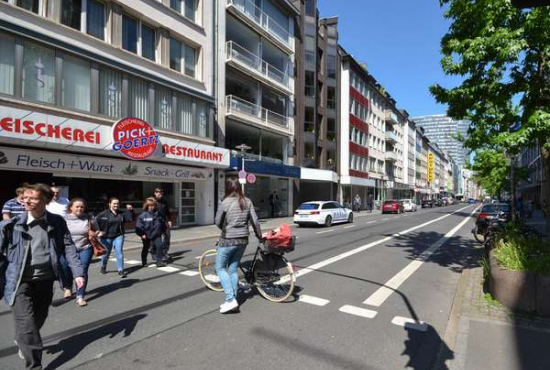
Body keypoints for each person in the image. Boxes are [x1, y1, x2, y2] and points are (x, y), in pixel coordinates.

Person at [0, 183, 84, 370]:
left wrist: (78, 272)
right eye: (25, 198)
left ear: (45, 201)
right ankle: (34, 365)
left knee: (39, 318)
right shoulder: (11, 225)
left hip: (46, 279)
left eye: (33, 198)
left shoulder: (57, 221)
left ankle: (22, 338)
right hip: (19, 282)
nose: (26, 201)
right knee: (28, 325)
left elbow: (69, 246)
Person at [215, 179, 263, 314]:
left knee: (220, 268)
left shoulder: (224, 202)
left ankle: (230, 299)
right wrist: (260, 236)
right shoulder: (248, 201)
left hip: (228, 240)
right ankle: (233, 300)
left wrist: (226, 229)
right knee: (233, 269)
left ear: (228, 189)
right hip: (243, 240)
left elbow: (218, 221)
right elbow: (255, 221)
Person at [61, 198, 99, 307]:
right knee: (67, 269)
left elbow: (97, 230)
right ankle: (68, 286)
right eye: (77, 206)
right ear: (71, 207)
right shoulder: (64, 219)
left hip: (85, 248)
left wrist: (94, 233)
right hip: (68, 249)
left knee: (83, 271)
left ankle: (80, 296)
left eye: (82, 207)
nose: (79, 209)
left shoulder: (89, 218)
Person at [94, 198, 133, 278]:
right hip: (106, 237)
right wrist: (98, 231)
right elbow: (95, 222)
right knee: (106, 254)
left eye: (117, 203)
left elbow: (130, 219)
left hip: (118, 236)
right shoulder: (103, 214)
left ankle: (120, 270)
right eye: (114, 203)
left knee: (119, 252)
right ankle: (103, 266)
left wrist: (130, 211)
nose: (116, 205)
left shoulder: (122, 213)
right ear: (109, 204)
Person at [135, 198, 165, 268]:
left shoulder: (159, 213)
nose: (152, 207)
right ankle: (144, 262)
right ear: (146, 206)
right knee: (146, 248)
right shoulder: (143, 215)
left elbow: (162, 222)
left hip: (157, 233)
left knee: (159, 246)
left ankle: (159, 262)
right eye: (150, 205)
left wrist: (164, 231)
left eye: (153, 205)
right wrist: (141, 234)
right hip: (146, 234)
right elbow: (138, 226)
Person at [153, 188, 171, 262]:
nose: (159, 193)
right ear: (155, 193)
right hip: (155, 222)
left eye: (160, 192)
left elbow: (167, 211)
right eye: (157, 192)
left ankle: (164, 252)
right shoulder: (152, 201)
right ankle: (154, 253)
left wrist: (169, 220)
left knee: (167, 235)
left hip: (164, 221)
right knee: (156, 238)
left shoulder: (164, 201)